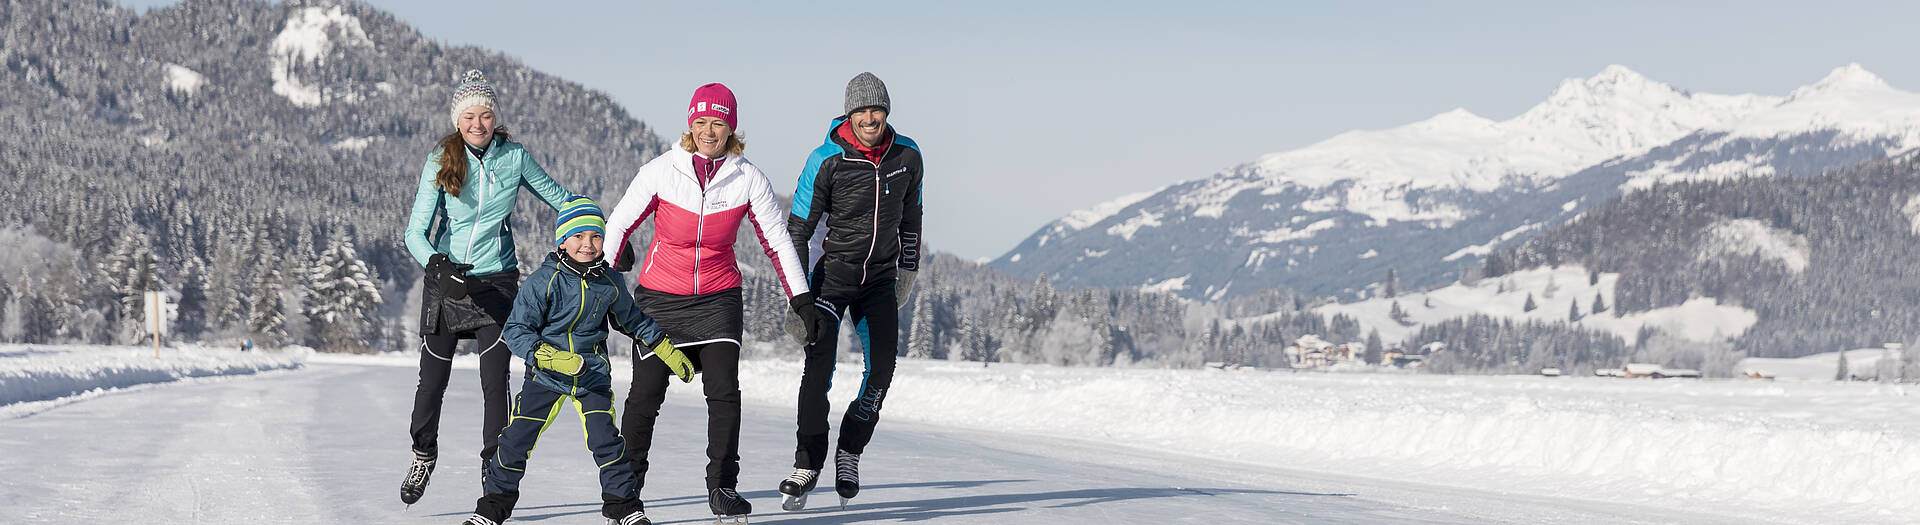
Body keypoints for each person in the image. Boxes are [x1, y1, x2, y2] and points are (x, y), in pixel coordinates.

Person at [603, 83, 822, 522]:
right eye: (701, 122)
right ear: (690, 125)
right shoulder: (661, 171)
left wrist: (801, 299)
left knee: (723, 391)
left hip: (718, 298)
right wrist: (606, 277)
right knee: (645, 395)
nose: (708, 130)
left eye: (717, 123)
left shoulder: (747, 178)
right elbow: (618, 223)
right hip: (659, 300)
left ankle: (722, 486)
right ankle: (625, 494)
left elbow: (777, 242)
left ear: (730, 127)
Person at [400, 70, 579, 505]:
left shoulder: (514, 157)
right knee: (431, 382)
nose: (477, 124)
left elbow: (561, 198)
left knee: (495, 381)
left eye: (485, 115)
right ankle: (424, 453)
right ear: (457, 120)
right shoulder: (441, 157)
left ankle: (493, 463)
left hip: (497, 280)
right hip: (448, 280)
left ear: (495, 118)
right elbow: (414, 233)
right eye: (468, 117)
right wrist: (437, 266)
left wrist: (600, 230)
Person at [463, 196, 695, 525]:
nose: (587, 244)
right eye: (579, 236)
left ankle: (624, 508)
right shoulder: (543, 281)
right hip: (545, 377)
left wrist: (666, 348)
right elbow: (516, 330)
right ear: (563, 240)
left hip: (592, 376)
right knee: (514, 441)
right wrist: (548, 356)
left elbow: (633, 320)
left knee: (608, 443)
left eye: (595, 236)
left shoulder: (610, 281)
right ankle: (491, 509)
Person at [778, 72, 924, 510]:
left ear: (886, 112)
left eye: (876, 109)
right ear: (849, 113)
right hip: (833, 278)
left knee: (881, 371)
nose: (869, 117)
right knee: (818, 368)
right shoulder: (826, 159)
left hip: (879, 280)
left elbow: (913, 217)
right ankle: (807, 462)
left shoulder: (908, 155)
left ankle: (850, 452)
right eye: (861, 110)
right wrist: (797, 295)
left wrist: (907, 270)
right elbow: (798, 230)